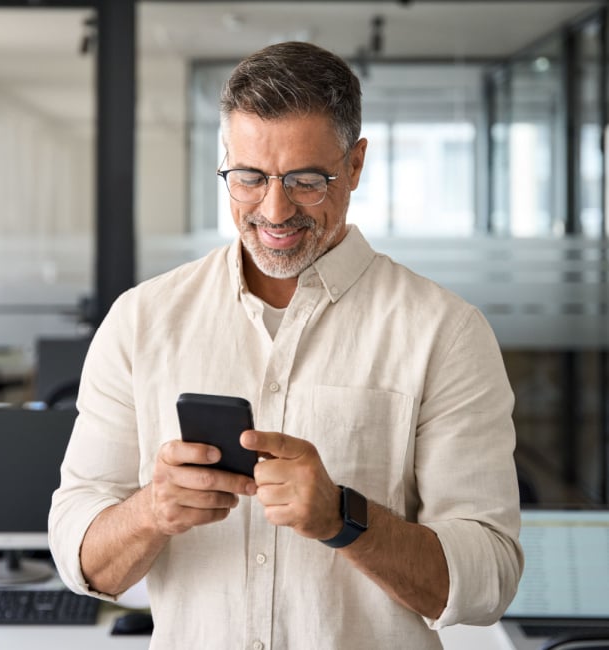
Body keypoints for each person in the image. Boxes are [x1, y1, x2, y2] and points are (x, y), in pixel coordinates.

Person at [49, 41, 523, 649]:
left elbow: (491, 579)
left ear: (354, 166)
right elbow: (78, 555)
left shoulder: (445, 332)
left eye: (306, 180)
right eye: (248, 177)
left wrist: (344, 519)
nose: (274, 211)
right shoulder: (141, 321)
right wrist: (150, 511)